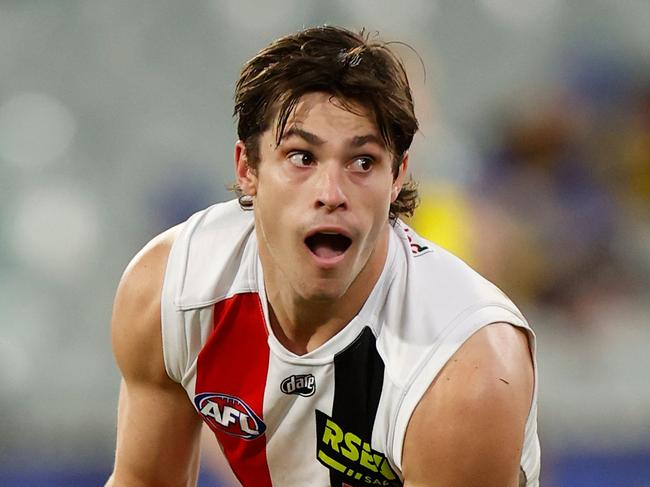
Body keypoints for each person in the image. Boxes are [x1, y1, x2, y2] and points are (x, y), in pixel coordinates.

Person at [106, 26, 540, 487]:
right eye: (302, 157)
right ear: (247, 169)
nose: (331, 194)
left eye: (363, 162)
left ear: (398, 177)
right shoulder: (172, 289)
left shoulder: (465, 365)